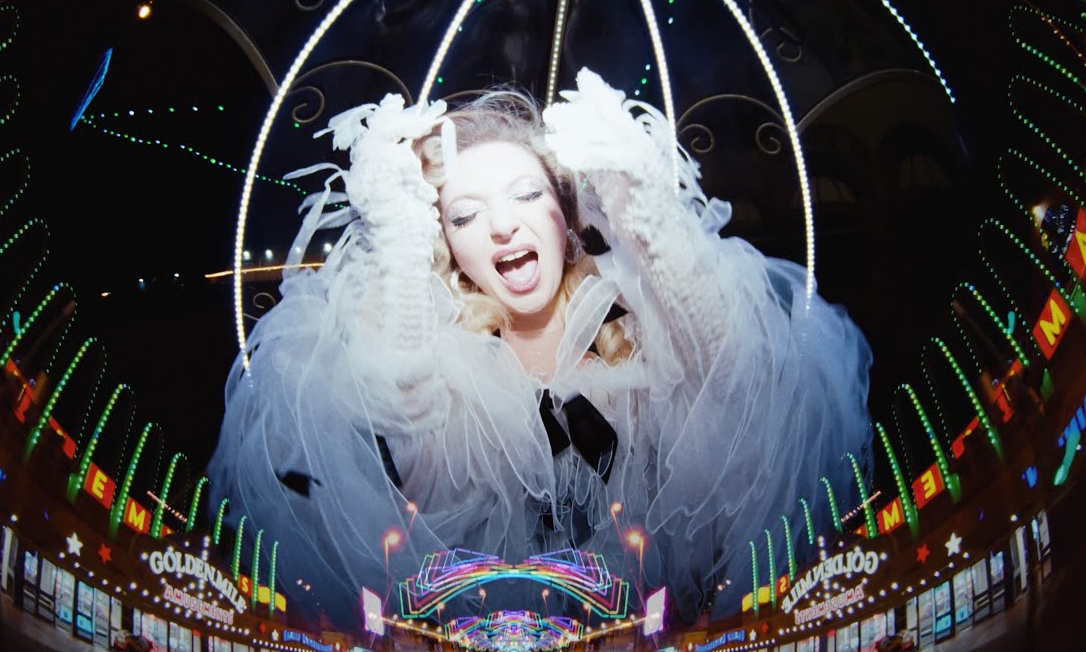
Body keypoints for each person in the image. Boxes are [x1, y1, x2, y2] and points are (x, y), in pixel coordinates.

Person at [208, 69, 873, 626]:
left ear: (566, 217)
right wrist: (400, 238)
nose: (502, 225)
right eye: (464, 214)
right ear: (449, 246)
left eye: (526, 194)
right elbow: (402, 416)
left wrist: (649, 223)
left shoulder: (635, 321)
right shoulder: (445, 362)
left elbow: (739, 382)